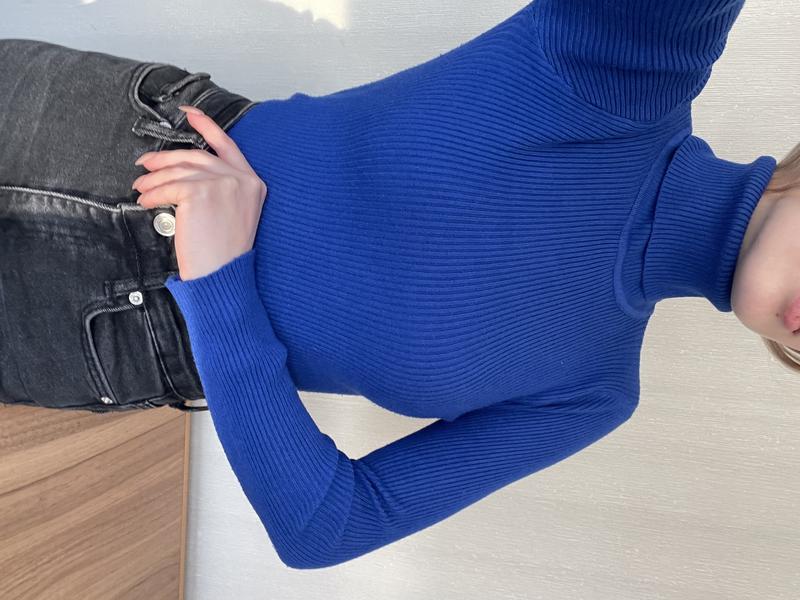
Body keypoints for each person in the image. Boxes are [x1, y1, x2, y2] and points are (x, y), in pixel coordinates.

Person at [0, 0, 795, 569]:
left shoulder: (590, 392)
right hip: (105, 140)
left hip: (100, 338)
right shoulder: (637, 68)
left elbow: (322, 528)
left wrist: (220, 287)